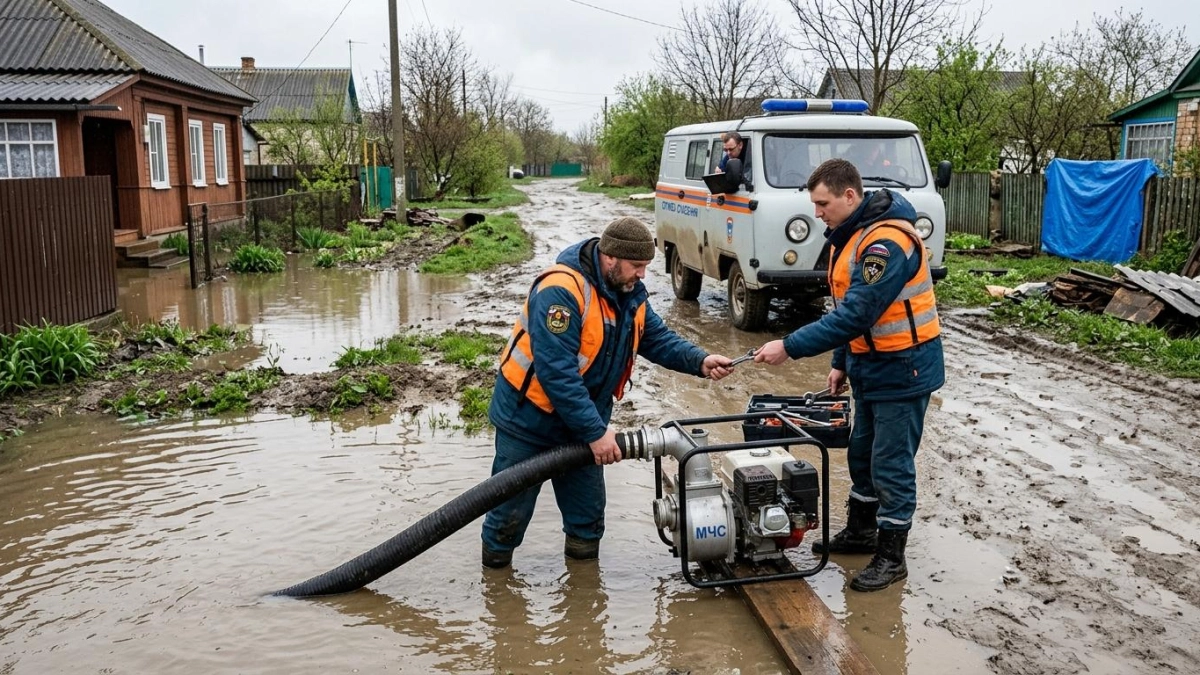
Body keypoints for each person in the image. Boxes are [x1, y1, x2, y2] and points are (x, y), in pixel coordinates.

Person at [482, 217, 736, 569]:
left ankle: (584, 597)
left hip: (585, 425)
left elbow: (656, 339)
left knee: (587, 521)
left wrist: (701, 360)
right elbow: (557, 375)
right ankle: (497, 588)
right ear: (610, 258)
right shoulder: (561, 291)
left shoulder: (629, 293)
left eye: (646, 266)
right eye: (637, 266)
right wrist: (597, 434)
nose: (642, 275)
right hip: (529, 421)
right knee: (507, 519)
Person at [753, 158, 944, 592]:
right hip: (870, 366)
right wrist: (841, 362)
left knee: (890, 463)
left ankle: (892, 557)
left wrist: (790, 346)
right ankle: (861, 531)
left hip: (905, 367)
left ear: (850, 196)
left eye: (822, 204)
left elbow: (860, 312)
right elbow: (844, 307)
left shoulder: (886, 244)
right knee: (862, 454)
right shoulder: (850, 236)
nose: (817, 213)